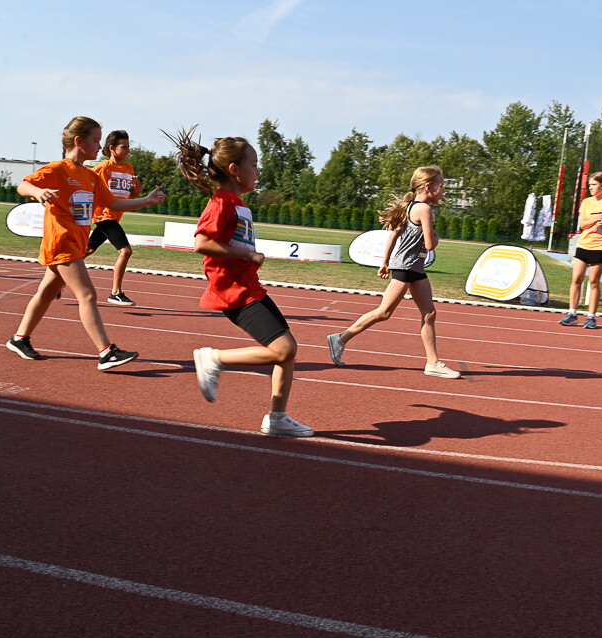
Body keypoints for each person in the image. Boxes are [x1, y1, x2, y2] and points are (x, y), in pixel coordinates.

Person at [165, 126, 313, 438]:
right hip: (234, 291)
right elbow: (202, 243)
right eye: (255, 165)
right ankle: (214, 358)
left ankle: (278, 417)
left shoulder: (236, 202)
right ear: (235, 170)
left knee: (289, 350)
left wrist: (247, 257)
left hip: (250, 287)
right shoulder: (222, 202)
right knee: (283, 349)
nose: (259, 172)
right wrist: (245, 256)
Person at [6, 116, 156, 370]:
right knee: (87, 294)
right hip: (61, 242)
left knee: (45, 292)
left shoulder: (90, 176)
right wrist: (38, 192)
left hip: (77, 242)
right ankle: (106, 352)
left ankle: (19, 339)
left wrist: (147, 201)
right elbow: (24, 185)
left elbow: (114, 204)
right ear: (79, 141)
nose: (99, 146)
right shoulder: (58, 169)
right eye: (95, 140)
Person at [326, 166, 461, 379]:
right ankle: (340, 339)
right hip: (407, 267)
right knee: (384, 312)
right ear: (428, 187)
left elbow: (394, 235)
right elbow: (430, 245)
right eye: (441, 186)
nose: (443, 192)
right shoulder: (424, 210)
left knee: (429, 314)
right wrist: (435, 237)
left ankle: (433, 363)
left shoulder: (410, 207)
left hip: (413, 267)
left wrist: (385, 261)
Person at [88, 130, 166, 307]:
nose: (128, 151)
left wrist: (138, 189)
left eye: (129, 148)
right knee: (126, 251)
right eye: (124, 147)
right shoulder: (102, 168)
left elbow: (131, 194)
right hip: (104, 215)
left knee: (88, 250)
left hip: (116, 215)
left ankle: (60, 274)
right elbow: (88, 187)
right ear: (112, 148)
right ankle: (116, 292)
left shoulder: (129, 168)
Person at [558, 171, 602, 329]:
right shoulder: (586, 202)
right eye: (590, 185)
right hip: (583, 244)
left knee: (594, 282)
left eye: (593, 185)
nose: (590, 188)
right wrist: (595, 218)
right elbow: (582, 225)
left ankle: (591, 317)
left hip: (600, 246)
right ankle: (572, 313)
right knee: (576, 279)